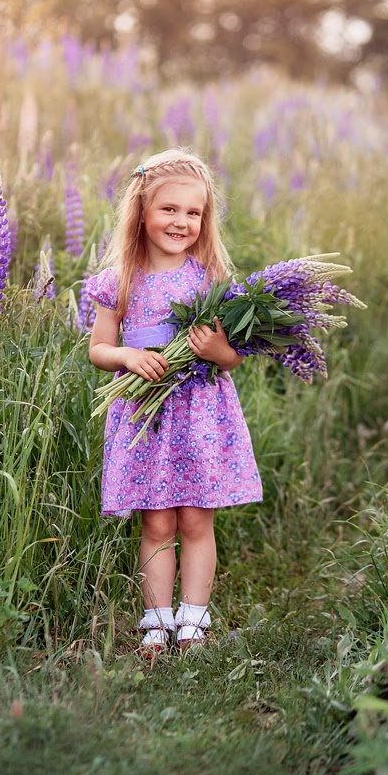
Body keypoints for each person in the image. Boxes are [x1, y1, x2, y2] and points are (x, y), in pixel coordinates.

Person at [86, 148, 263, 655]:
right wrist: (126, 355)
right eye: (169, 209)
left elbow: (233, 360)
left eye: (193, 212)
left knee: (195, 519)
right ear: (141, 212)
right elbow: (98, 349)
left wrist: (216, 350)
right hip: (146, 414)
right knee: (157, 520)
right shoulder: (119, 279)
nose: (181, 221)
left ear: (204, 220)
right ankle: (155, 619)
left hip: (199, 411)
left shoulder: (210, 280)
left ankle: (193, 620)